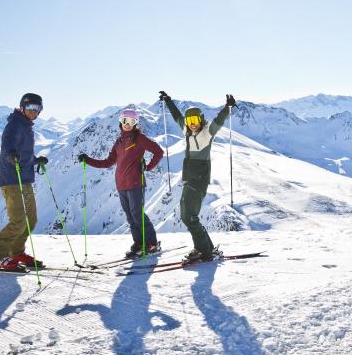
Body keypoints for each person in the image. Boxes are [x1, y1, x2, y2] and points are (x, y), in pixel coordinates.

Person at [158, 91, 235, 264]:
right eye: (189, 121)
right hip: (190, 177)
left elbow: (218, 121)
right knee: (189, 215)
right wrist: (168, 101)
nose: (192, 125)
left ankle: (203, 251)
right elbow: (177, 116)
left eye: (195, 121)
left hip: (199, 178)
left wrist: (227, 107)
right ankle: (206, 248)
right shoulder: (186, 130)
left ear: (200, 120)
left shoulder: (207, 132)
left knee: (188, 217)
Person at [77, 109, 165, 258]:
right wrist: (88, 160)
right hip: (121, 184)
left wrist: (148, 167)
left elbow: (158, 152)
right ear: (120, 122)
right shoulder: (119, 142)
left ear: (135, 123)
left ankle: (152, 243)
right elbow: (107, 162)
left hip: (136, 183)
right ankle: (139, 243)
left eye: (131, 122)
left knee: (137, 214)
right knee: (130, 217)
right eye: (125, 121)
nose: (127, 124)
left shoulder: (139, 139)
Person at [0, 93, 49, 271]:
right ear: (22, 107)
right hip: (12, 180)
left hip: (26, 179)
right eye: (30, 108)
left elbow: (24, 155)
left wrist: (36, 160)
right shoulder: (14, 124)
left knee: (31, 219)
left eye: (37, 109)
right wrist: (10, 154)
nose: (33, 112)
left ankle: (16, 252)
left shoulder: (27, 126)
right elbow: (8, 145)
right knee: (19, 220)